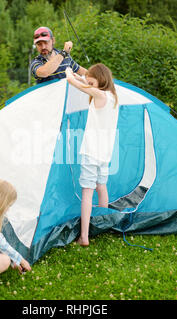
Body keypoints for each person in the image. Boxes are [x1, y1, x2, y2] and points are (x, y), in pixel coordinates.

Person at [65, 63, 119, 247]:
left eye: (91, 82)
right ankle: (103, 223)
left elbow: (73, 82)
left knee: (87, 192)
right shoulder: (113, 96)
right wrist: (84, 78)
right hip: (105, 153)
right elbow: (85, 82)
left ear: (100, 80)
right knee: (101, 186)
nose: (89, 85)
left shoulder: (99, 94)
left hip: (91, 152)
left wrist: (68, 71)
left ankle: (84, 236)